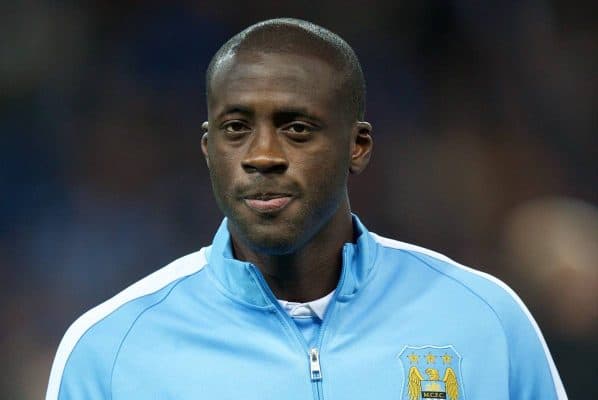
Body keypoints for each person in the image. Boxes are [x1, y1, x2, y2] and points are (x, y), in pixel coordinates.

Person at [46, 18, 567, 400]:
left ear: (357, 147)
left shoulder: (483, 319)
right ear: (208, 150)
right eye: (236, 129)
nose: (263, 156)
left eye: (297, 128)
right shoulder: (110, 349)